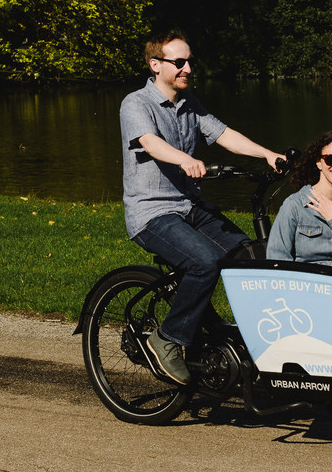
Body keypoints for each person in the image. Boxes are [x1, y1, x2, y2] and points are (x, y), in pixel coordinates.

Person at [120, 29, 283, 386]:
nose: (188, 68)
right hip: (152, 213)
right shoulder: (136, 104)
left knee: (249, 255)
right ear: (156, 64)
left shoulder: (189, 104)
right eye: (179, 62)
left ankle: (246, 339)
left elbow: (225, 135)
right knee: (204, 262)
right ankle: (167, 339)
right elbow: (150, 143)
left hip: (188, 205)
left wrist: (267, 154)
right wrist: (185, 161)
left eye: (190, 61)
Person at [266, 129, 332, 270]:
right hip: (306, 284)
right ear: (318, 162)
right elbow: (277, 262)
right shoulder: (294, 205)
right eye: (331, 159)